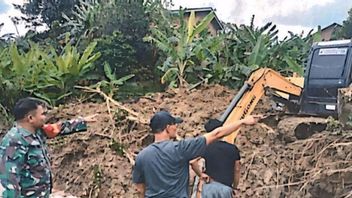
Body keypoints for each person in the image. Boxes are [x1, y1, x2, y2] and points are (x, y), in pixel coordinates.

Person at [132, 110, 261, 198]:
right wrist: (242, 121)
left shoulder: (142, 156)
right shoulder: (181, 148)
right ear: (167, 127)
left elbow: (139, 188)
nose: (176, 128)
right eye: (174, 125)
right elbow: (216, 134)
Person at [0, 97, 96, 197]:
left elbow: (57, 128)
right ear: (30, 118)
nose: (45, 117)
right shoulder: (13, 142)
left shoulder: (37, 132)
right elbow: (8, 180)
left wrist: (81, 122)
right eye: (42, 114)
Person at [191, 119, 241, 198]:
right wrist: (235, 187)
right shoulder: (232, 148)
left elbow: (193, 161)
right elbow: (237, 169)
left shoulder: (205, 147)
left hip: (209, 187)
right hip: (225, 188)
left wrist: (200, 174)